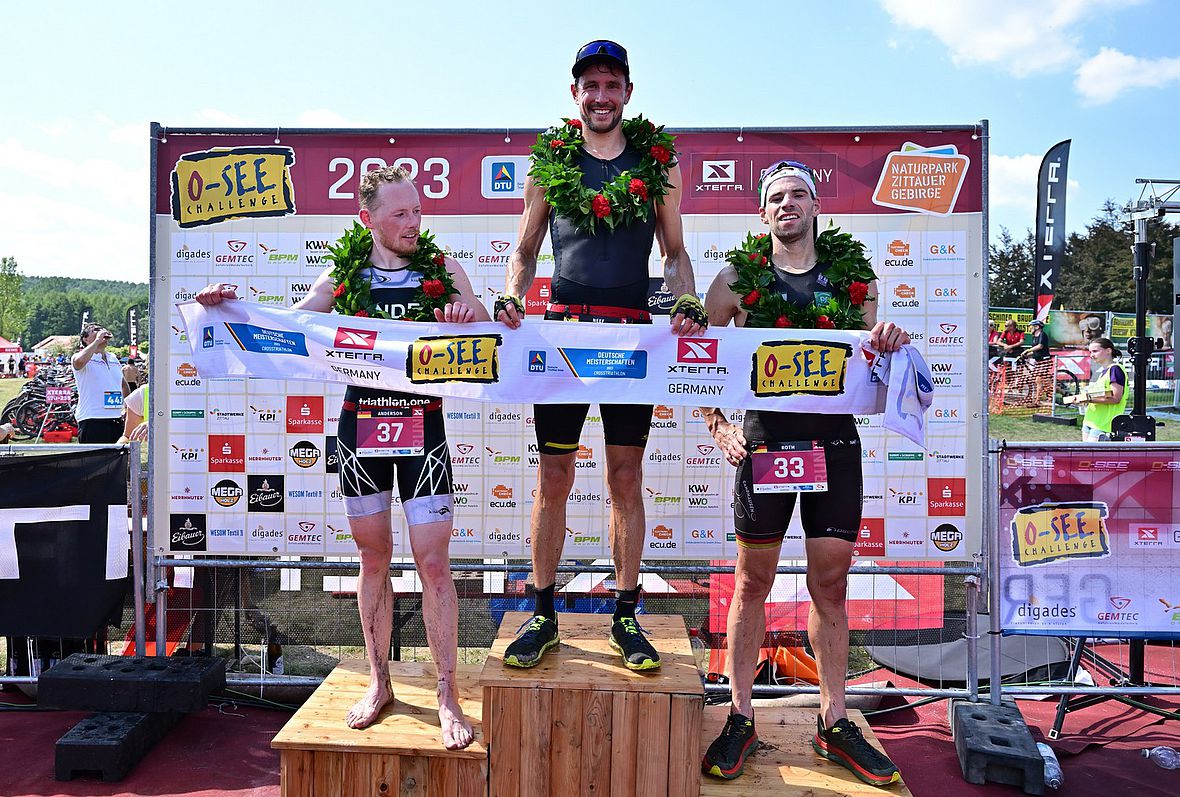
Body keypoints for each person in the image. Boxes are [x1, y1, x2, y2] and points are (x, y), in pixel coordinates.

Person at [197, 166, 487, 749]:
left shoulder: (443, 269)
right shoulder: (347, 273)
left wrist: (467, 314)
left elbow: (487, 334)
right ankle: (379, 682)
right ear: (368, 219)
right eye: (401, 214)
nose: (413, 223)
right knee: (373, 559)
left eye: (418, 213)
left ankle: (447, 693)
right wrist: (229, 308)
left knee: (434, 565)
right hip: (361, 431)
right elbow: (291, 326)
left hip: (422, 428)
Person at [493, 39, 706, 671]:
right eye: (591, 85)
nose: (602, 95)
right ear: (575, 94)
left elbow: (673, 254)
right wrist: (512, 294)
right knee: (553, 477)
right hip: (561, 336)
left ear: (628, 94)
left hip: (631, 338)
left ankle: (626, 615)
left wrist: (686, 302)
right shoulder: (549, 163)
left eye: (612, 85)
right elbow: (526, 250)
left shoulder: (656, 164)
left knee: (623, 478)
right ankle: (541, 614)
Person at [697, 161, 906, 784]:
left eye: (798, 195)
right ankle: (739, 716)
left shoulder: (853, 278)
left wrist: (887, 337)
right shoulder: (735, 279)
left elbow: (873, 354)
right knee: (751, 582)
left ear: (816, 207)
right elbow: (697, 357)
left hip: (836, 444)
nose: (787, 204)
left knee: (831, 586)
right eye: (776, 197)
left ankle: (833, 721)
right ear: (762, 214)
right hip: (766, 445)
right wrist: (717, 424)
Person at [71, 324, 126, 443]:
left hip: (116, 419)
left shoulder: (113, 358)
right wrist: (96, 341)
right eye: (96, 330)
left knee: (117, 460)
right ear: (85, 338)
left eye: (102, 329)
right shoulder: (81, 356)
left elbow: (123, 384)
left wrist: (127, 407)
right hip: (93, 419)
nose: (101, 331)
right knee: (95, 460)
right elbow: (78, 362)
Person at [1078, 337, 1128, 442]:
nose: (1092, 355)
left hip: (1103, 425)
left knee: (1093, 457)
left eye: (1095, 351)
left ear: (1108, 351)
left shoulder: (1115, 369)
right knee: (1085, 456)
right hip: (1090, 421)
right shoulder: (1104, 371)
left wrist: (1088, 399)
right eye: (1090, 352)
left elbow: (1116, 398)